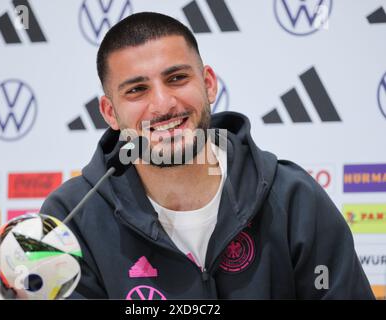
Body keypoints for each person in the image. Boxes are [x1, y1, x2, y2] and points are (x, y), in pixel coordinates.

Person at [41, 12, 374, 299]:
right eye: (137, 90)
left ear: (209, 83)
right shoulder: (72, 218)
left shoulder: (294, 199)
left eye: (177, 78)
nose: (163, 104)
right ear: (110, 112)